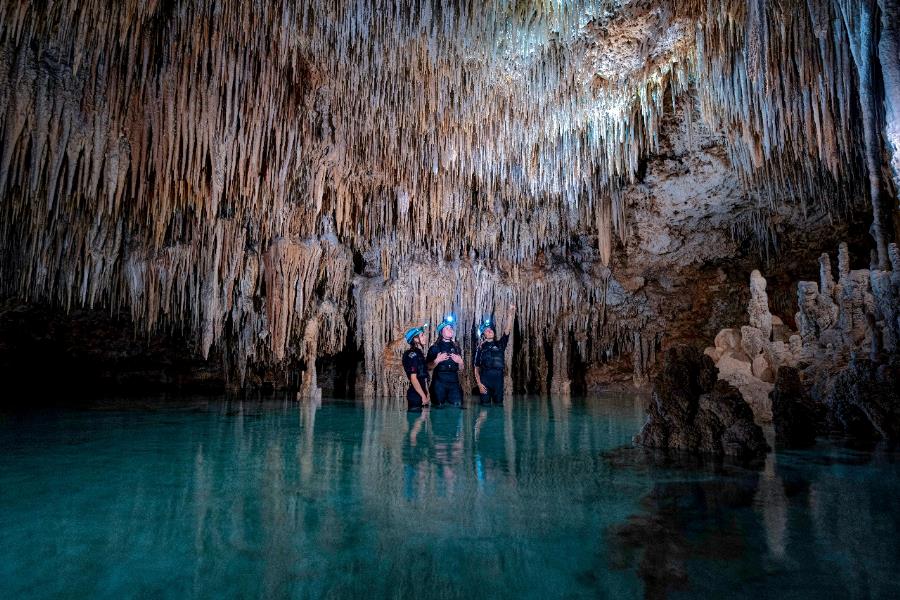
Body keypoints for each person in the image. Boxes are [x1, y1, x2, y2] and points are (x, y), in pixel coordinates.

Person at [473, 303, 516, 405]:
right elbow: (476, 368)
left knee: (499, 406)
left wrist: (510, 314)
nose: (490, 331)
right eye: (487, 331)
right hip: (485, 380)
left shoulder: (500, 344)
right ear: (483, 335)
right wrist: (479, 384)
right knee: (485, 406)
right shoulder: (480, 348)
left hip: (498, 380)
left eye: (491, 329)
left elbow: (507, 331)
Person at [426, 314, 466, 408]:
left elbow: (461, 369)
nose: (450, 330)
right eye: (447, 328)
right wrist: (437, 360)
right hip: (439, 383)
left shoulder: (456, 347)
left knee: (457, 408)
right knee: (438, 411)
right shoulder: (435, 348)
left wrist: (461, 362)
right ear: (441, 332)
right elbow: (428, 367)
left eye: (451, 328)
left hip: (454, 383)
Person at [402, 324, 431, 411]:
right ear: (415, 339)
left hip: (421, 392)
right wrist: (423, 396)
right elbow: (413, 378)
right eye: (422, 335)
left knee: (421, 421)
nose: (425, 337)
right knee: (416, 422)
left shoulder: (419, 353)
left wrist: (427, 393)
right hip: (415, 394)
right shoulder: (412, 355)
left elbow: (423, 377)